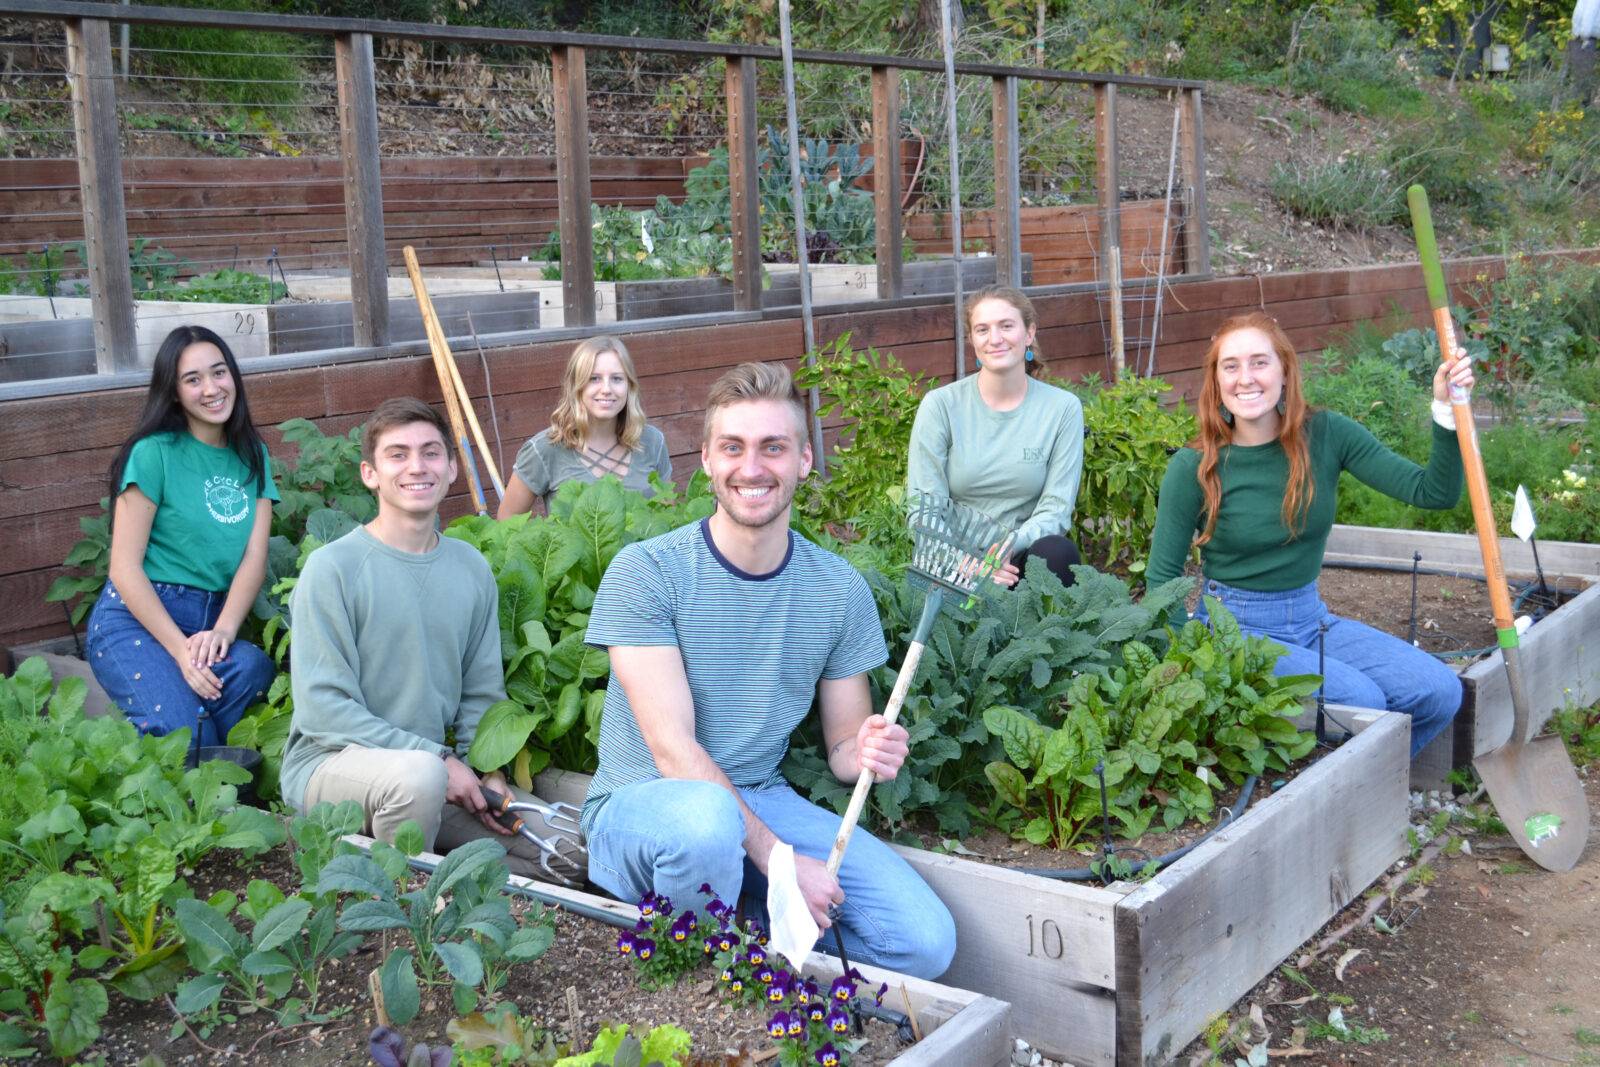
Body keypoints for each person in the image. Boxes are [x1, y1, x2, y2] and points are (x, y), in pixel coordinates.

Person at [581, 362, 956, 980]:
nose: (751, 468)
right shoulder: (646, 571)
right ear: (705, 458)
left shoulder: (838, 590)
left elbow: (841, 747)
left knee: (922, 941)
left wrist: (866, 750)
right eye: (734, 447)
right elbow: (672, 751)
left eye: (773, 448)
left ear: (805, 460)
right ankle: (693, 978)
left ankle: (742, 938)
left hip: (759, 800)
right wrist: (783, 865)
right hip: (648, 805)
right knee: (706, 824)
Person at [281, 397, 583, 884]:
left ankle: (424, 862)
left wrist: (488, 774)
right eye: (397, 455)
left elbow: (482, 696)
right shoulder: (332, 569)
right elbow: (324, 711)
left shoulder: (470, 568)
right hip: (334, 764)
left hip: (430, 776)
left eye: (430, 453)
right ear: (370, 474)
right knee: (419, 779)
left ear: (450, 469)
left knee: (564, 852)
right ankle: (399, 903)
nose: (416, 466)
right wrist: (442, 762)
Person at [1146, 312, 1475, 758]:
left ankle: (1372, 789)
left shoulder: (1326, 434)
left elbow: (1432, 493)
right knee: (1362, 703)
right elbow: (1161, 581)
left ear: (1284, 370)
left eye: (1259, 362)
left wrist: (1446, 408)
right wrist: (1190, 666)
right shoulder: (1194, 466)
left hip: (1310, 618)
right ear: (1216, 379)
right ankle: (1352, 790)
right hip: (1234, 629)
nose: (1246, 378)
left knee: (1439, 692)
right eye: (1231, 366)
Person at [87, 325, 278, 749]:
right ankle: (184, 730)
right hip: (137, 618)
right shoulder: (154, 453)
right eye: (193, 380)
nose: (211, 388)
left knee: (254, 669)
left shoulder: (253, 454)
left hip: (208, 623)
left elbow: (254, 557)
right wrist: (180, 653)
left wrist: (225, 632)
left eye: (219, 373)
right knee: (186, 739)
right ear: (173, 393)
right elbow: (124, 567)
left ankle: (177, 722)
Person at [908, 284, 1085, 587]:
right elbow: (924, 510)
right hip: (954, 562)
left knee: (1058, 551)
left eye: (1006, 326)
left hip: (1018, 560)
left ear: (1029, 334)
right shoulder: (941, 406)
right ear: (972, 340)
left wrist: (1005, 548)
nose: (995, 339)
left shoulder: (1062, 409)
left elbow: (1055, 509)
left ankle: (1040, 633)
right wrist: (966, 562)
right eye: (982, 329)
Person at [497, 335, 673, 518]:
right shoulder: (544, 450)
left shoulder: (652, 441)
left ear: (629, 386)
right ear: (576, 386)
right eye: (594, 378)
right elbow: (506, 526)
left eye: (617, 379)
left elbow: (669, 519)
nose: (606, 389)